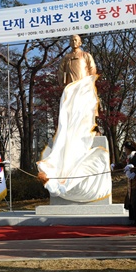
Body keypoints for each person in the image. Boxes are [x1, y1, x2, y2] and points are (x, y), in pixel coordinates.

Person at [38, 34, 110, 203]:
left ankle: (87, 127)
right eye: (71, 40)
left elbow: (92, 70)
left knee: (84, 111)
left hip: (83, 86)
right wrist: (65, 82)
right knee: (69, 112)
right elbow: (61, 72)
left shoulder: (86, 56)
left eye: (76, 40)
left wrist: (86, 83)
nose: (73, 42)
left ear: (81, 42)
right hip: (71, 88)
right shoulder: (67, 57)